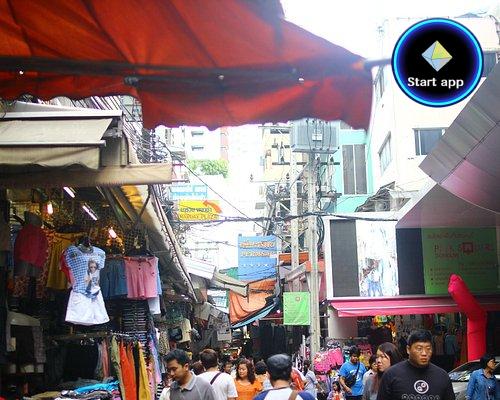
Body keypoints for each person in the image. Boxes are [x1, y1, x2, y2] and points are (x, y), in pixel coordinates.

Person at [377, 329, 455, 400]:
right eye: (419, 349)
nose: (424, 353)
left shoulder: (442, 376)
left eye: (428, 349)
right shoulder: (391, 375)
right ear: (408, 349)